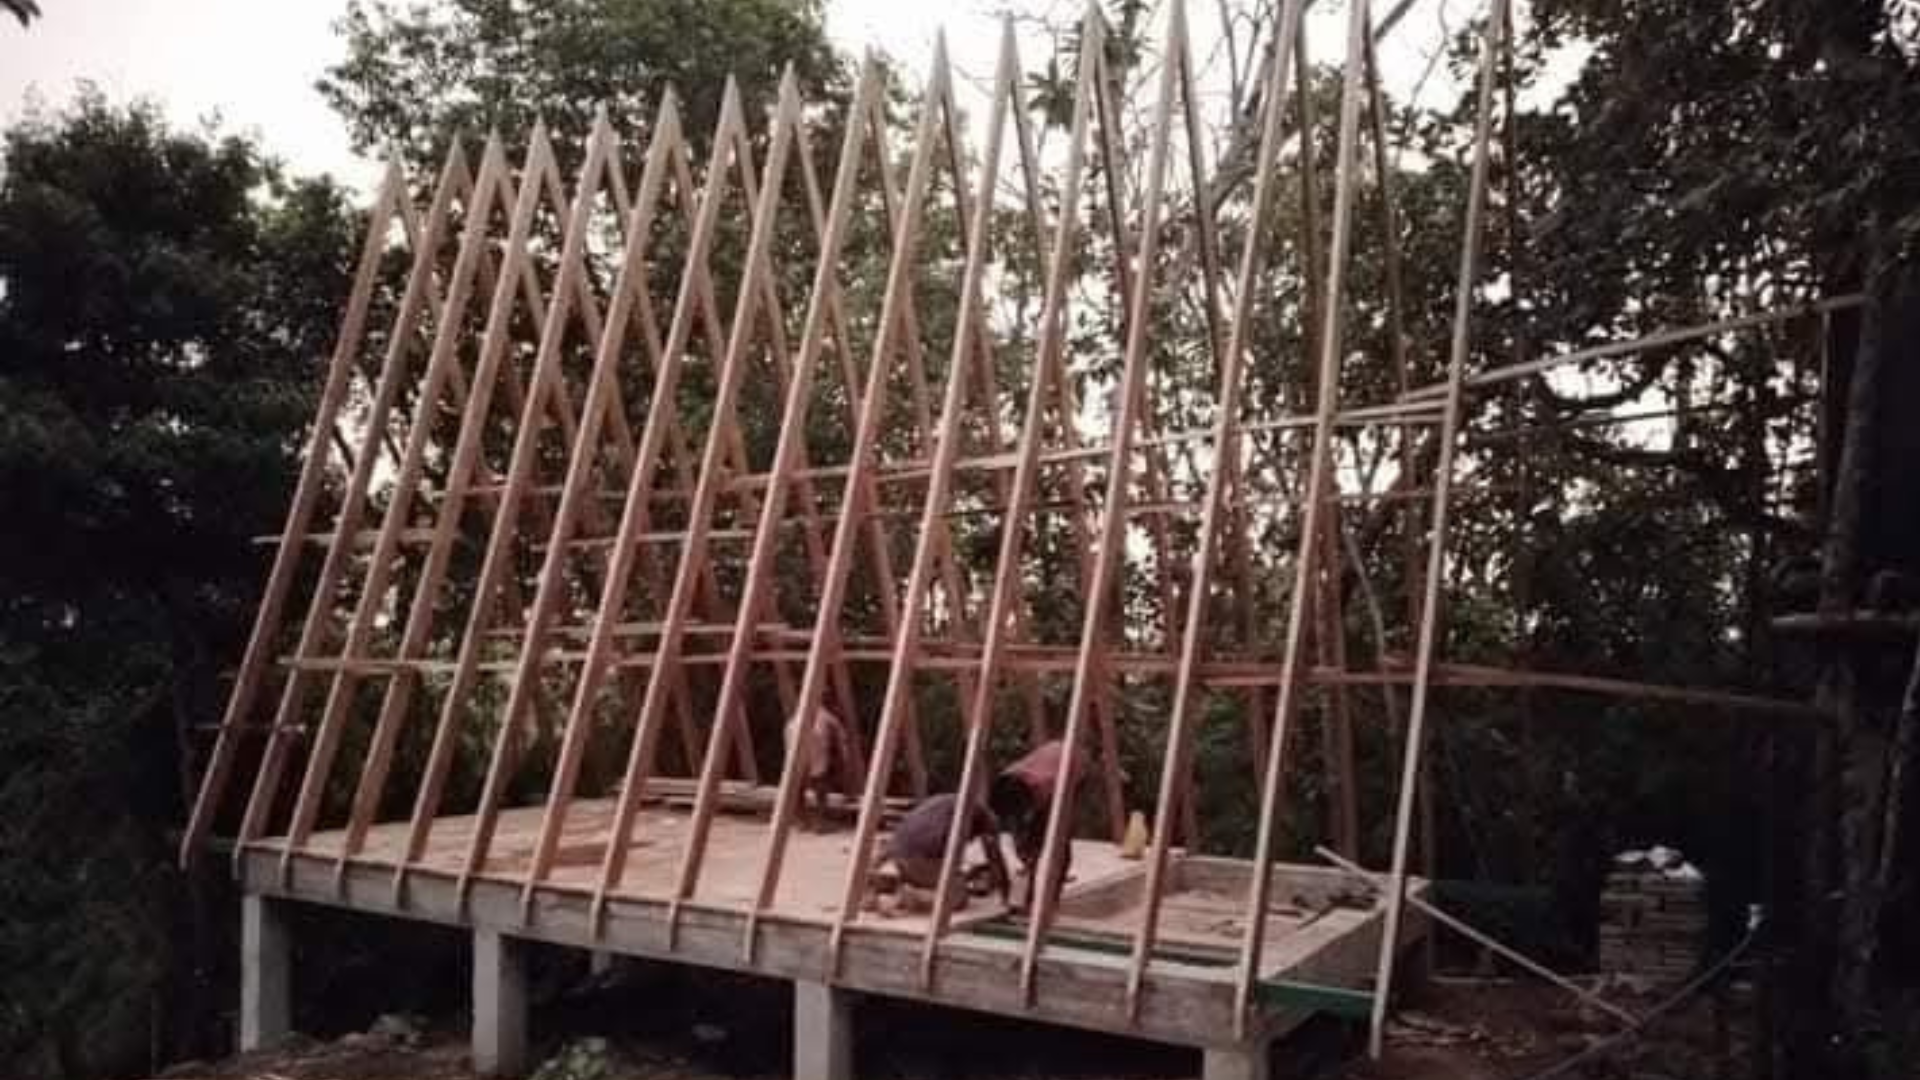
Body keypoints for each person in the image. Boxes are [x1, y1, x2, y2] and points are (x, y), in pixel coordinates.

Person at [871, 793, 1009, 914]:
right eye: (972, 838)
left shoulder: (946, 803)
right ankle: (912, 898)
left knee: (950, 876)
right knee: (959, 897)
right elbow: (994, 857)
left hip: (897, 854)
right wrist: (1005, 891)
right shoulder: (981, 817)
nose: (971, 840)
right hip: (919, 858)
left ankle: (888, 889)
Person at [988, 738, 1084, 911]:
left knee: (1058, 838)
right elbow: (1010, 826)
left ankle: (1051, 899)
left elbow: (1054, 838)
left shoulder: (1048, 788)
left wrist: (1034, 898)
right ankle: (1031, 876)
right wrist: (1005, 888)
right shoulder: (1003, 785)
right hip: (1046, 764)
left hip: (1073, 766)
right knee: (1029, 843)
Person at [784, 705, 853, 830]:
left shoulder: (803, 712)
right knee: (819, 781)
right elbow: (842, 741)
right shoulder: (829, 717)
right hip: (814, 736)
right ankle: (820, 822)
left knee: (798, 781)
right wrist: (845, 762)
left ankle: (802, 820)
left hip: (793, 732)